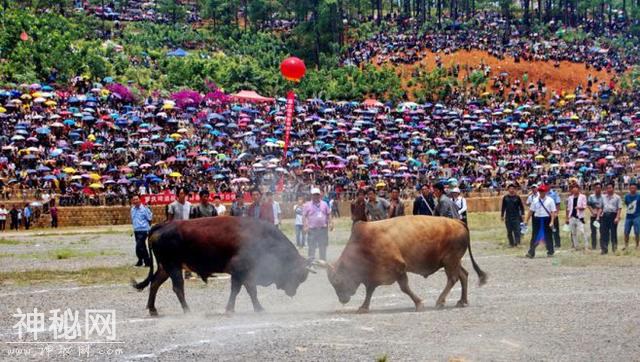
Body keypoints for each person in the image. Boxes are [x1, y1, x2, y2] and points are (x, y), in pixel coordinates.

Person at [525, 184, 556, 258]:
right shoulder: (535, 200)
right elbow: (531, 211)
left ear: (545, 191)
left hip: (546, 219)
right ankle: (531, 252)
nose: (542, 192)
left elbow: (553, 212)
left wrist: (552, 221)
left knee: (548, 236)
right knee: (535, 236)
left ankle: (550, 251)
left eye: (543, 191)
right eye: (540, 191)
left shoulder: (550, 200)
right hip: (537, 219)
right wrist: (526, 220)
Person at [303, 188, 333, 261]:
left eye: (317, 195)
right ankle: (311, 261)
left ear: (320, 195)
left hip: (323, 229)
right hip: (312, 229)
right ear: (311, 195)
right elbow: (304, 216)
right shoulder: (307, 205)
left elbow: (329, 214)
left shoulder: (324, 204)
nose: (315, 196)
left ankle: (322, 260)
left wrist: (331, 223)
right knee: (311, 246)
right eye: (314, 195)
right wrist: (305, 226)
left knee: (323, 246)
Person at [130, 195, 152, 267]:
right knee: (141, 246)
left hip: (144, 230)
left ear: (140, 200)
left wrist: (148, 228)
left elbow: (149, 219)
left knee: (139, 246)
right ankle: (141, 261)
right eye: (134, 200)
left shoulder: (144, 209)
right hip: (136, 230)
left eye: (137, 199)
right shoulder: (132, 209)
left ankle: (146, 261)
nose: (135, 201)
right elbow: (133, 220)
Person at [600, 182, 622, 254]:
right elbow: (601, 207)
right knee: (604, 233)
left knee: (613, 233)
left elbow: (619, 208)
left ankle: (614, 249)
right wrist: (599, 215)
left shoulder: (617, 197)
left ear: (613, 188)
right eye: (607, 188)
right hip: (605, 216)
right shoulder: (603, 197)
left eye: (610, 188)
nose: (609, 189)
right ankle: (604, 249)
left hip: (613, 215)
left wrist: (617, 217)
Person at [565, 184, 588, 250]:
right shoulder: (570, 198)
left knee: (582, 231)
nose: (574, 190)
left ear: (578, 189)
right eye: (573, 188)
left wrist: (579, 208)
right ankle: (576, 246)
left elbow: (584, 206)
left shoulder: (583, 196)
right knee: (573, 233)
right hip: (572, 216)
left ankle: (586, 246)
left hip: (579, 216)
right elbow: (568, 208)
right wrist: (567, 218)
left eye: (575, 188)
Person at [623, 183, 640, 250]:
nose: (633, 189)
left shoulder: (639, 196)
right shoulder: (626, 196)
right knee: (626, 231)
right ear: (629, 188)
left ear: (636, 189)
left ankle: (637, 245)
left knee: (637, 232)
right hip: (628, 217)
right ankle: (626, 245)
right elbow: (626, 204)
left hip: (637, 216)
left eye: (634, 188)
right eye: (631, 188)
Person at [587, 183, 603, 250]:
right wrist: (592, 211)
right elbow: (589, 205)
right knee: (593, 232)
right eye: (596, 187)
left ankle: (602, 245)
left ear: (601, 188)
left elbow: (603, 207)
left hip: (601, 217)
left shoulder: (603, 197)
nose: (598, 189)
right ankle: (594, 246)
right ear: (594, 188)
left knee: (602, 231)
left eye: (599, 187)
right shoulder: (591, 197)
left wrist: (598, 215)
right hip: (593, 216)